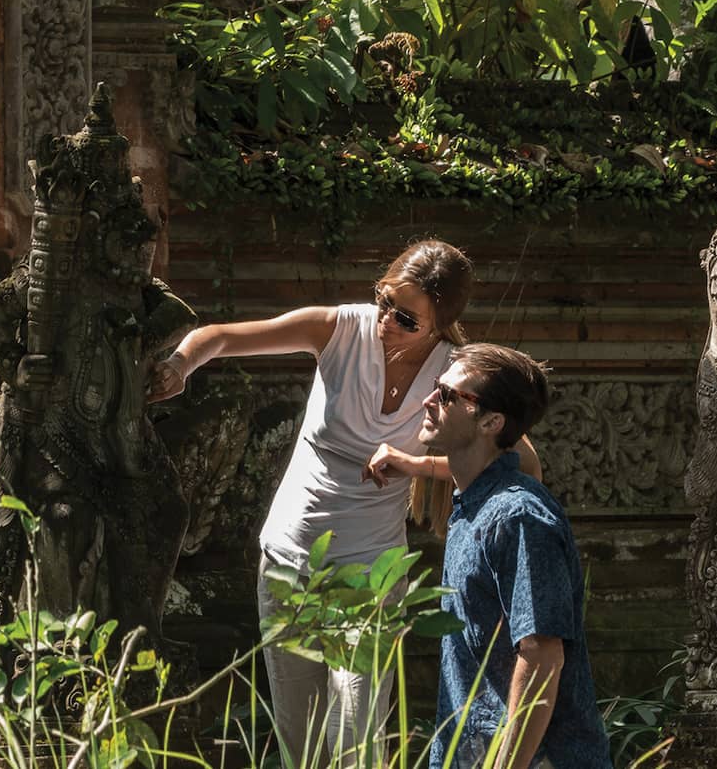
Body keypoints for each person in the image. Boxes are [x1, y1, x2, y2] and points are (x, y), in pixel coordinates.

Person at [149, 240, 536, 764]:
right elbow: (218, 337)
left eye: (406, 318)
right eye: (384, 299)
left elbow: (521, 464)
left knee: (357, 743)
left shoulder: (453, 376)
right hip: (289, 562)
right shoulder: (341, 328)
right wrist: (179, 365)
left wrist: (414, 464)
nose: (386, 321)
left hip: (371, 576)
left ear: (440, 326)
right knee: (301, 744)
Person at [417, 343, 611, 769]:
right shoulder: (473, 507)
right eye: (435, 386)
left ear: (492, 422)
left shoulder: (518, 517)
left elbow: (542, 656)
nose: (429, 400)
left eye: (447, 395)